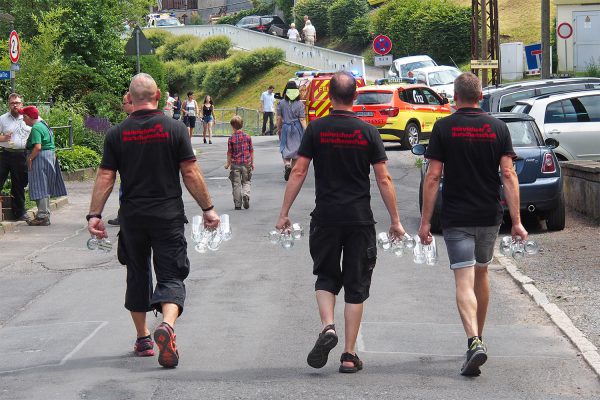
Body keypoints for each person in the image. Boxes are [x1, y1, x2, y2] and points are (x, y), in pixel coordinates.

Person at [275, 71, 407, 374]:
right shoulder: (368, 132)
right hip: (359, 219)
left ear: (330, 96)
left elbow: (298, 172)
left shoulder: (317, 130)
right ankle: (349, 355)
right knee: (356, 286)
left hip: (326, 217)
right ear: (355, 96)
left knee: (325, 276)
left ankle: (328, 326)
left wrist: (284, 213)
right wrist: (396, 220)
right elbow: (383, 178)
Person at [87, 73, 220, 368]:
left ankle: (144, 337)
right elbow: (190, 172)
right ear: (158, 94)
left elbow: (106, 176)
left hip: (132, 218)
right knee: (171, 274)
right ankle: (168, 326)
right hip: (168, 216)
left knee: (137, 275)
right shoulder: (174, 129)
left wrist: (95, 215)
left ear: (130, 98)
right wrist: (208, 208)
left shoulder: (116, 134)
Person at [417, 72, 527, 377]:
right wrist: (516, 222)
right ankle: (479, 338)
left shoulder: (444, 127)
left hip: (457, 216)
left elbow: (433, 176)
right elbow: (508, 175)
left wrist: (425, 223)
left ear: (455, 96)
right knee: (482, 271)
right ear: (480, 96)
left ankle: (473, 340)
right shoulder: (498, 128)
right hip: (489, 214)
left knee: (463, 279)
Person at [19, 106, 67, 226]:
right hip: (49, 156)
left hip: (40, 157)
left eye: (23, 118)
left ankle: (42, 216)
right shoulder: (44, 124)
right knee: (44, 186)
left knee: (38, 185)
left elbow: (37, 147)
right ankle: (45, 214)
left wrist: (30, 158)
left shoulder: (36, 128)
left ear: (28, 117)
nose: (23, 121)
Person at [0, 93, 31, 222]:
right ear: (9, 104)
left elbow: (38, 129)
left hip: (21, 154)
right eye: (13, 103)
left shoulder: (27, 117)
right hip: (5, 153)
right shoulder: (2, 119)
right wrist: (3, 138)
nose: (15, 105)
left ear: (21, 104)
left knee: (19, 184)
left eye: (17, 103)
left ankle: (20, 212)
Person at [107, 93, 134, 226]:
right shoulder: (130, 120)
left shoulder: (131, 123)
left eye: (124, 103)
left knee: (125, 191)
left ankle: (124, 216)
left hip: (130, 166)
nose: (122, 106)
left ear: (132, 103)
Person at [276, 81, 306, 181]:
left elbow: (279, 118)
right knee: (296, 151)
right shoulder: (300, 104)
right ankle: (292, 171)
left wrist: (279, 128)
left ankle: (287, 164)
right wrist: (306, 130)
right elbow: (302, 119)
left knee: (285, 149)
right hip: (297, 129)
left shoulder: (281, 103)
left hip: (285, 128)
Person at [224, 115, 253, 210]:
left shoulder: (231, 138)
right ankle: (246, 194)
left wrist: (228, 164)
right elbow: (251, 150)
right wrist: (252, 163)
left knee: (236, 184)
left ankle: (237, 204)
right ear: (242, 125)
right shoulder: (247, 137)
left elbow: (229, 153)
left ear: (232, 126)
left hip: (235, 164)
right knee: (246, 181)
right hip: (246, 163)